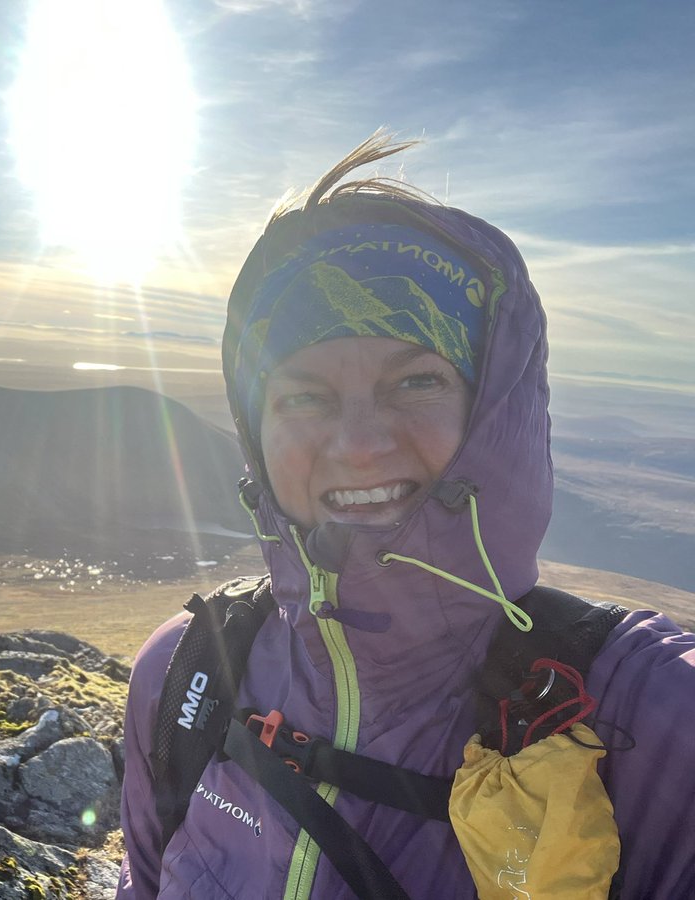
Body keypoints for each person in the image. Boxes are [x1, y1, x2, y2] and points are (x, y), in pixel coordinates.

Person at [116, 132, 695, 899]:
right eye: (302, 394)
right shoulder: (186, 675)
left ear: (496, 415)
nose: (358, 445)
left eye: (417, 381)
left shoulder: (657, 720)